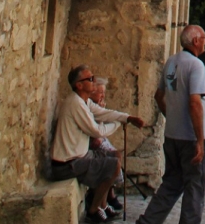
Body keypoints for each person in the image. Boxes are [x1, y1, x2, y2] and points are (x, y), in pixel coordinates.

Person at [136, 25, 205, 224]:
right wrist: (199, 140)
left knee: (171, 183)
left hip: (172, 136)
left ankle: (148, 221)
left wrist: (172, 117)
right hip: (189, 138)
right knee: (195, 188)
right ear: (195, 41)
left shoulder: (171, 62)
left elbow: (159, 96)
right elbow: (195, 102)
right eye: (204, 37)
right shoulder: (196, 66)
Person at [51, 64, 144, 223]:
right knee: (112, 165)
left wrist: (127, 118)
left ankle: (103, 203)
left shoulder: (84, 102)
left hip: (79, 157)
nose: (93, 81)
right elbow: (96, 131)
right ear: (79, 85)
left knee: (115, 155)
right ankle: (94, 210)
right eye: (90, 79)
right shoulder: (75, 103)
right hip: (68, 164)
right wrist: (117, 124)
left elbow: (103, 113)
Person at [88, 78, 123, 215]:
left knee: (115, 155)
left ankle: (108, 197)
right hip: (92, 143)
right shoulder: (88, 107)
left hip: (97, 140)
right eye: (100, 92)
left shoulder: (95, 106)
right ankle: (105, 201)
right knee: (111, 157)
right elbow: (95, 130)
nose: (103, 96)